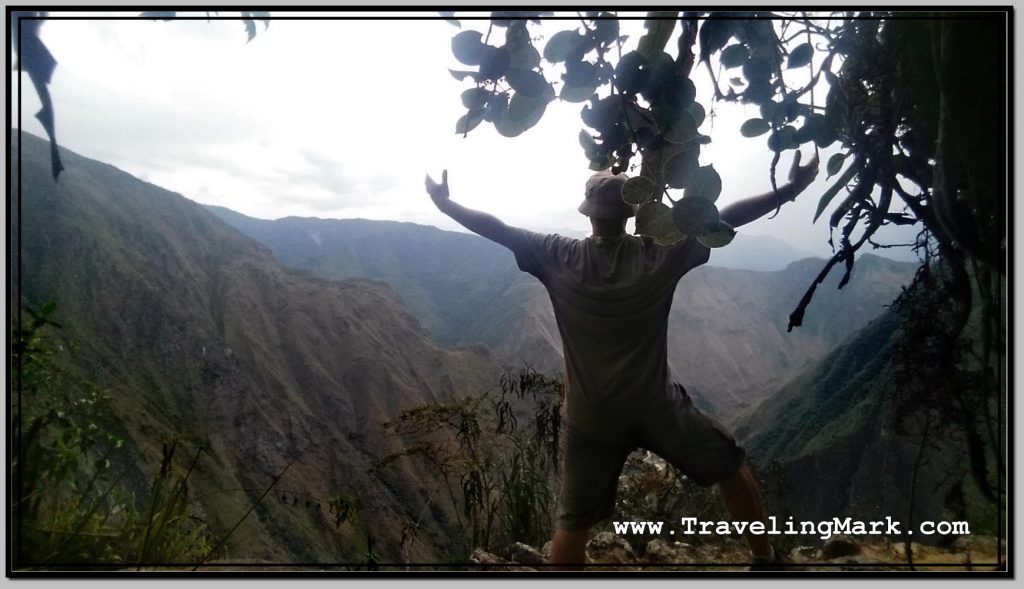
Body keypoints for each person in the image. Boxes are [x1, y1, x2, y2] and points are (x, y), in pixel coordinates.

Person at [424, 152, 819, 569]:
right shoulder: (658, 255)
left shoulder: (559, 256)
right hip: (657, 407)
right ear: (632, 212)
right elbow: (724, 218)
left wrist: (446, 205)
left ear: (589, 213)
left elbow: (498, 230)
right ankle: (764, 559)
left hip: (591, 416)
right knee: (730, 465)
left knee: (573, 524)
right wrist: (791, 189)